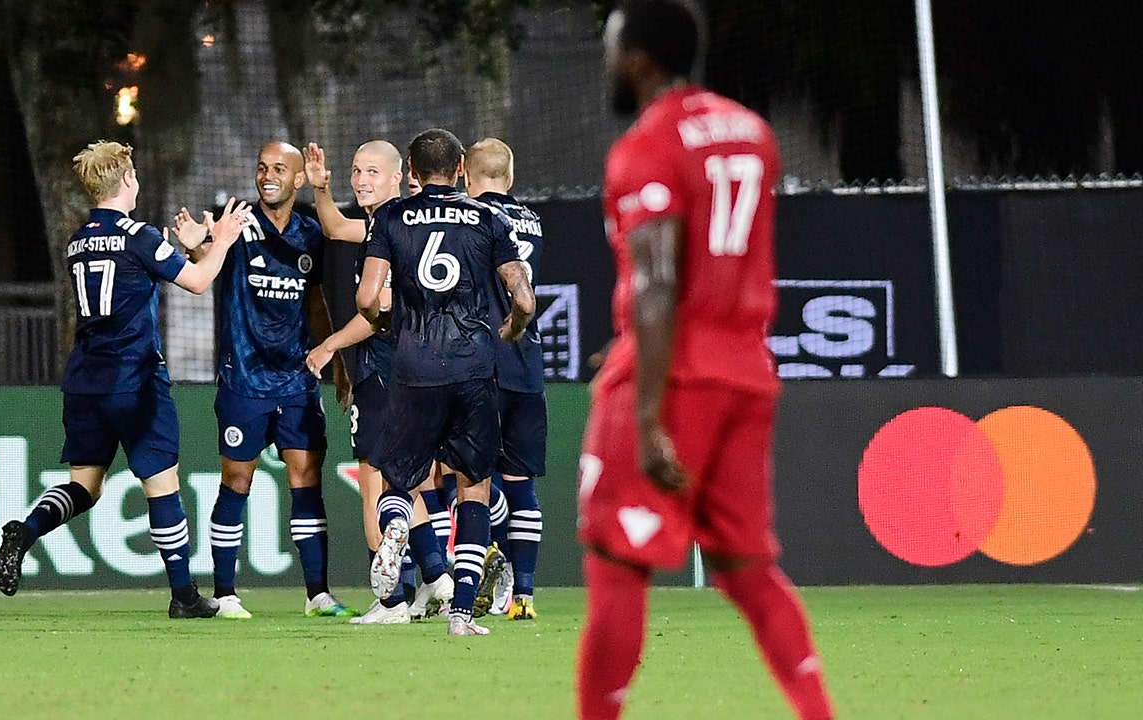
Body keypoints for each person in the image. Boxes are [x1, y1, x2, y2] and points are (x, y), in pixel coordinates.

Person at [577, 2, 835, 719]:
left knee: (617, 562)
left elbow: (658, 282)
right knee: (749, 568)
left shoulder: (646, 145)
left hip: (677, 375)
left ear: (639, 58)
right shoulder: (752, 131)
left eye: (612, 46)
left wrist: (647, 413)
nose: (607, 61)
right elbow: (719, 260)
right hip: (746, 370)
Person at [0, 140, 252, 618]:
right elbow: (198, 282)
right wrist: (222, 240)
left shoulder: (77, 241)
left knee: (84, 486)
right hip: (135, 380)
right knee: (162, 484)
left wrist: (191, 248)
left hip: (85, 380)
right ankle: (184, 596)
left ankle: (26, 530)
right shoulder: (139, 235)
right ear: (127, 179)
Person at [357, 128, 535, 636]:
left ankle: (396, 524)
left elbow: (367, 297)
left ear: (411, 171)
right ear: (460, 169)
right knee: (473, 487)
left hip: (413, 364)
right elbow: (523, 299)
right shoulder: (488, 218)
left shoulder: (391, 217)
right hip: (473, 366)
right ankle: (460, 615)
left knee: (400, 480)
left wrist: (388, 324)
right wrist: (512, 329)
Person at [173, 141, 354, 620]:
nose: (268, 176)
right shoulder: (239, 222)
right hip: (244, 379)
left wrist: (335, 359)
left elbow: (316, 301)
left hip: (297, 380)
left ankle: (318, 594)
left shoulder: (311, 234)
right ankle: (226, 594)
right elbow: (206, 261)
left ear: (298, 179)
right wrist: (194, 244)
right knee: (237, 479)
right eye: (261, 168)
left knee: (306, 479)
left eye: (278, 169)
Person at [302, 139, 455, 624]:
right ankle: (436, 577)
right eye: (356, 170)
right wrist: (321, 189)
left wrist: (330, 344)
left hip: (388, 370)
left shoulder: (392, 228)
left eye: (372, 171)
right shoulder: (392, 223)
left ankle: (391, 601)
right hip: (417, 367)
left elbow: (381, 309)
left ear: (398, 178)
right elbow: (334, 227)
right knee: (405, 483)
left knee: (374, 485)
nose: (361, 180)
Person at [464, 137, 547, 621]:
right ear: (510, 177)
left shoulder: (471, 218)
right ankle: (524, 594)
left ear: (465, 175)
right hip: (527, 365)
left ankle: (492, 569)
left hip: (481, 359)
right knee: (521, 482)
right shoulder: (533, 220)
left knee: (467, 476)